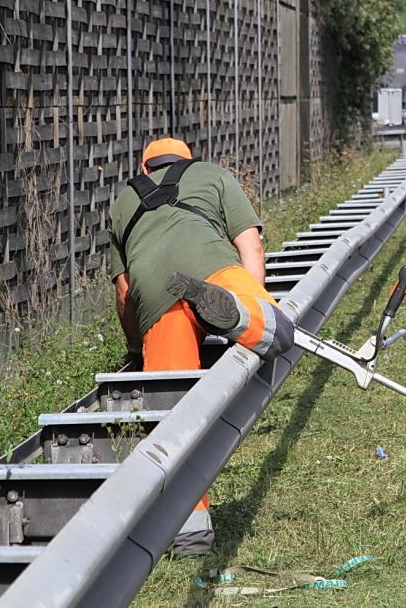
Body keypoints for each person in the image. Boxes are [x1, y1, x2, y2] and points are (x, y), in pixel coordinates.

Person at [108, 137, 295, 556]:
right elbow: (251, 245)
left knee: (175, 419)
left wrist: (137, 347)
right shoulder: (212, 174)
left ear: (144, 169)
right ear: (188, 161)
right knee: (280, 331)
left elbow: (124, 294)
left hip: (156, 295)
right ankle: (238, 317)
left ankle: (190, 536)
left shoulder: (122, 202)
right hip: (214, 269)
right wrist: (252, 297)